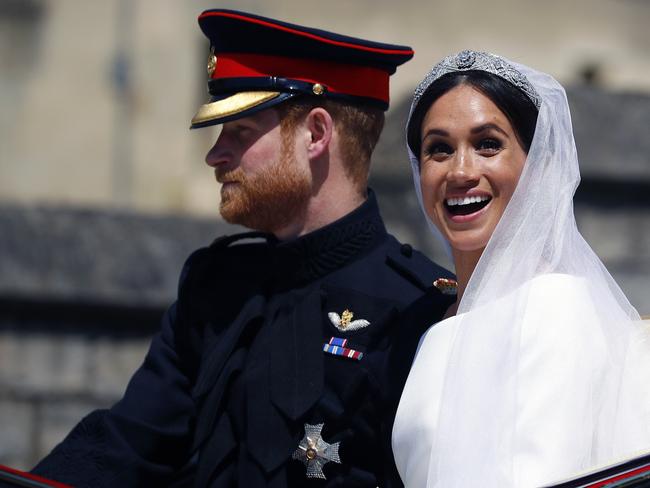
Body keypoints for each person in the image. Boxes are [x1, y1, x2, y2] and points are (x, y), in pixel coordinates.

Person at [30, 9, 453, 488]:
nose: (215, 155)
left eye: (240, 133)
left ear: (316, 134)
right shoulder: (215, 287)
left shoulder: (420, 308)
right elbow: (127, 445)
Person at [388, 51, 650, 487]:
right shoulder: (434, 321)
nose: (461, 171)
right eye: (439, 149)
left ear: (538, 163)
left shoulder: (554, 306)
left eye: (488, 144)